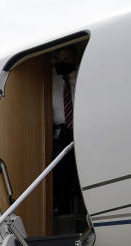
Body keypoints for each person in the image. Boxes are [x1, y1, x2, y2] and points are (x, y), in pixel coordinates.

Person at [51, 45, 85, 225]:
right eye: (59, 59)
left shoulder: (82, 78)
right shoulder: (49, 82)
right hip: (61, 131)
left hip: (83, 127)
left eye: (67, 58)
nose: (62, 62)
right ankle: (62, 207)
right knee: (61, 169)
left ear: (75, 59)